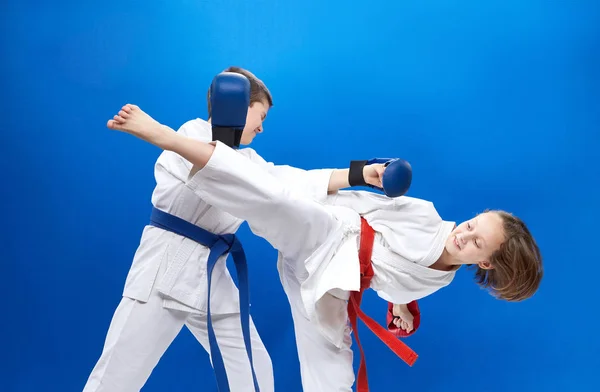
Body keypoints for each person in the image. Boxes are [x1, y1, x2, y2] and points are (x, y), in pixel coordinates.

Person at [105, 104, 543, 391]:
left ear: (483, 260)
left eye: (475, 241)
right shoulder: (426, 216)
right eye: (470, 224)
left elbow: (408, 278)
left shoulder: (440, 279)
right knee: (272, 198)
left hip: (330, 291)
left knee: (334, 377)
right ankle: (163, 135)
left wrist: (404, 305)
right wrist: (359, 173)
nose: (462, 234)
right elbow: (351, 200)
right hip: (328, 235)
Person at [83, 67, 386, 392]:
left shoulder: (248, 161)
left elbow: (295, 182)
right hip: (165, 267)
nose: (262, 126)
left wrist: (359, 174)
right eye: (261, 115)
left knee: (254, 373)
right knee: (117, 377)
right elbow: (219, 167)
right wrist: (163, 133)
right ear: (238, 104)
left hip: (213, 275)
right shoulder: (191, 135)